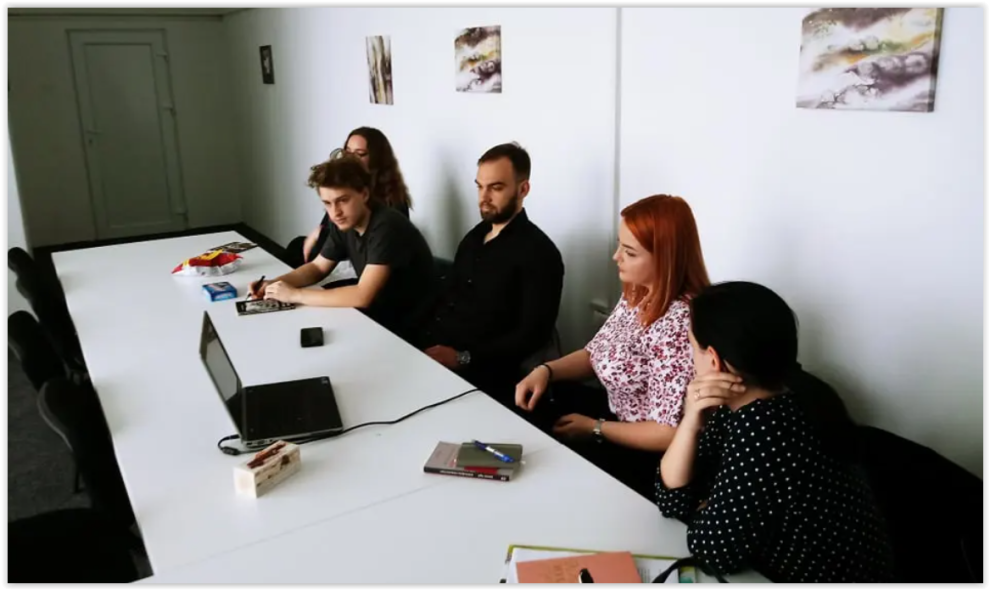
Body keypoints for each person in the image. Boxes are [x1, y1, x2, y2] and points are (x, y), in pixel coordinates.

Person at [656, 281, 896, 584]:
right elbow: (672, 499)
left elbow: (712, 551)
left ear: (714, 360)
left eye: (693, 348)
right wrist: (691, 420)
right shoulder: (759, 401)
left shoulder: (767, 427)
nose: (691, 358)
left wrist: (708, 506)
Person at [514, 194, 711, 500]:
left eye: (629, 252)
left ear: (665, 258)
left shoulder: (678, 324)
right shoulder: (639, 294)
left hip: (646, 457)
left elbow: (668, 432)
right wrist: (546, 370)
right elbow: (595, 354)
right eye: (620, 246)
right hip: (610, 419)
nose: (616, 257)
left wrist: (595, 428)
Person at [418, 143, 564, 403]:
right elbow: (446, 296)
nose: (483, 197)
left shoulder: (540, 253)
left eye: (495, 188)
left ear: (523, 189)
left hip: (487, 376)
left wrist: (462, 358)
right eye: (479, 186)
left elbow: (531, 337)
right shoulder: (474, 238)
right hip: (436, 354)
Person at [250, 155, 435, 345]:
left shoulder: (386, 225)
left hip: (412, 325)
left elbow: (362, 296)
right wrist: (274, 284)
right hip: (380, 310)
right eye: (327, 203)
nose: (335, 212)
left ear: (364, 194)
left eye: (343, 200)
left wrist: (294, 295)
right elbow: (318, 267)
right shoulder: (343, 222)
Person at [289, 127, 413, 268]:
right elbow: (331, 225)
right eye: (347, 153)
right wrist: (321, 229)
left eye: (360, 154)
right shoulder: (346, 186)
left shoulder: (390, 207)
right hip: (333, 252)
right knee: (297, 245)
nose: (350, 159)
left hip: (357, 263)